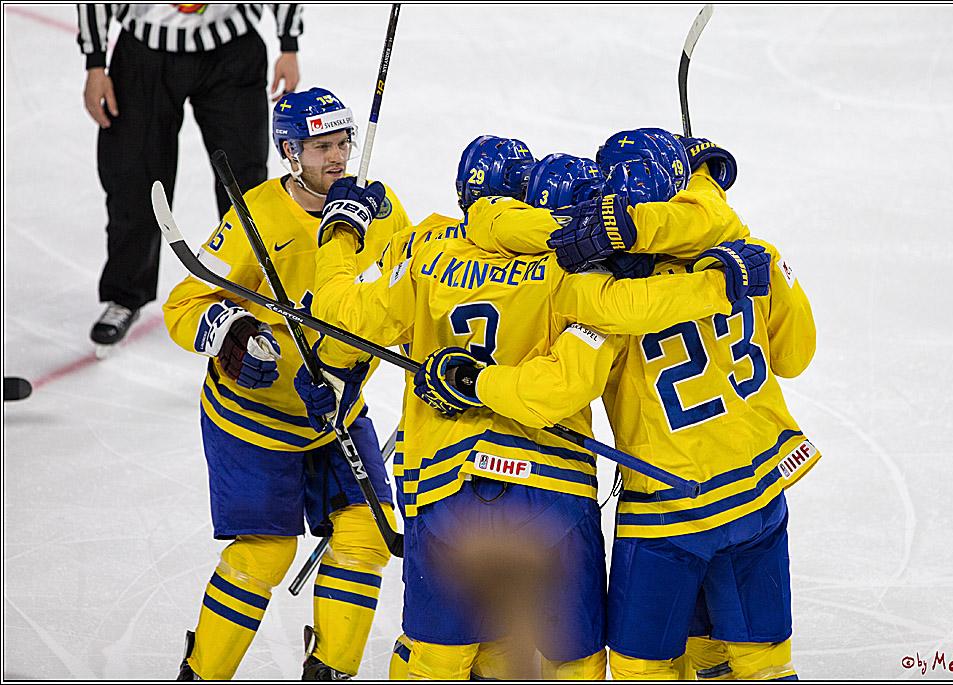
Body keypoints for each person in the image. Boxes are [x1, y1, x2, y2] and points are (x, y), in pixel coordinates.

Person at [298, 135, 762, 679]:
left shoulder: (425, 250)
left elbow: (333, 318)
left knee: (437, 658)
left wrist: (343, 233)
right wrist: (722, 280)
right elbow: (618, 323)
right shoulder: (574, 259)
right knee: (575, 662)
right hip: (552, 492)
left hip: (444, 488)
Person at [424, 132, 820, 680]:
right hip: (760, 496)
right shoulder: (751, 255)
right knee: (761, 662)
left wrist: (479, 383)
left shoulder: (596, 297)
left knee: (642, 669)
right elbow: (797, 355)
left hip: (669, 508)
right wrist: (772, 273)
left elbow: (552, 392)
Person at [162, 87, 411, 680]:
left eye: (342, 143)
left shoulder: (380, 209)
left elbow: (410, 289)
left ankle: (329, 671)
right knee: (264, 553)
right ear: (290, 153)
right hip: (253, 421)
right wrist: (233, 333)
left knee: (367, 536)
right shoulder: (258, 215)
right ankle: (202, 674)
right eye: (321, 146)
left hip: (337, 418)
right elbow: (185, 302)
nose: (337, 158)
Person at [77, 3, 303, 357]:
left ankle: (249, 296)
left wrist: (288, 44)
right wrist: (95, 62)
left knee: (246, 186)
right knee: (134, 180)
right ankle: (126, 295)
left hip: (233, 49)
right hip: (143, 55)